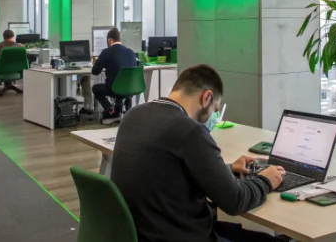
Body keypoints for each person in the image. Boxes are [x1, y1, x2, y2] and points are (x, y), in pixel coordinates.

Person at [111, 64, 287, 242]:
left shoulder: (133, 116)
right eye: (215, 110)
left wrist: (228, 168)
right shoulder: (189, 130)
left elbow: (167, 171)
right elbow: (236, 201)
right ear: (207, 97)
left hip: (147, 233)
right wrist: (266, 179)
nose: (214, 117)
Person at [91, 27, 138, 124]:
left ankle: (110, 110)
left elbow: (95, 71)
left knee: (95, 88)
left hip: (115, 88)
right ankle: (124, 106)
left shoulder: (106, 52)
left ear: (110, 40)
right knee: (120, 87)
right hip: (132, 88)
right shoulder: (131, 52)